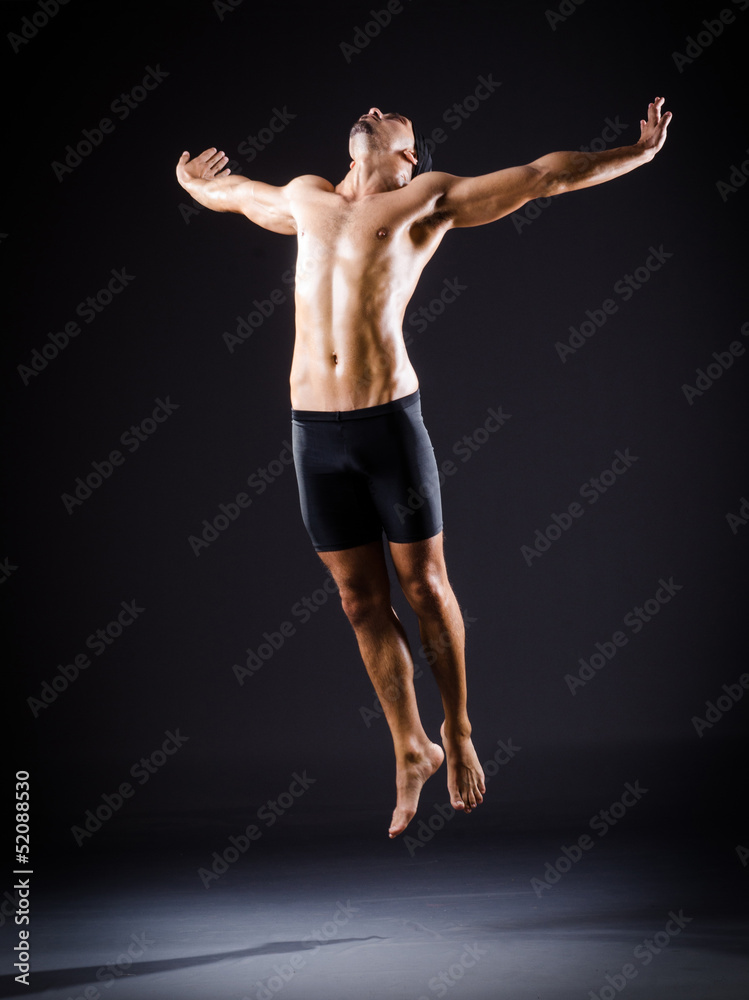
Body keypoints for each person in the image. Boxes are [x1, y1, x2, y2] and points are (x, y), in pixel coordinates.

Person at [175, 98, 672, 838]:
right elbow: (234, 194)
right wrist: (191, 181)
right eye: (371, 109)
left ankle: (460, 730)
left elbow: (541, 177)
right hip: (313, 432)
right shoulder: (305, 197)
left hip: (386, 427)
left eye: (393, 115)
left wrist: (637, 151)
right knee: (356, 601)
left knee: (425, 584)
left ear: (407, 153)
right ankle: (410, 747)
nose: (373, 109)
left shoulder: (426, 198)